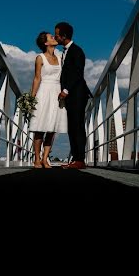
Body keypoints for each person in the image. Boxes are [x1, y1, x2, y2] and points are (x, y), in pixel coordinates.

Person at [55, 21, 91, 169]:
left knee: (77, 126)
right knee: (72, 127)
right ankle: (76, 159)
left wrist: (66, 90)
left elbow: (77, 73)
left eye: (57, 35)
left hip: (77, 94)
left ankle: (80, 160)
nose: (56, 37)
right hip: (71, 96)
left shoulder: (77, 51)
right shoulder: (66, 51)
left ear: (64, 36)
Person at [29, 31, 67, 168]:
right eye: (51, 37)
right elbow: (37, 78)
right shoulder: (40, 58)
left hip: (57, 92)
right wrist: (31, 99)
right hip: (44, 93)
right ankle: (37, 159)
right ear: (46, 43)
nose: (54, 37)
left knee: (52, 129)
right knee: (40, 128)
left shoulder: (60, 56)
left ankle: (45, 158)